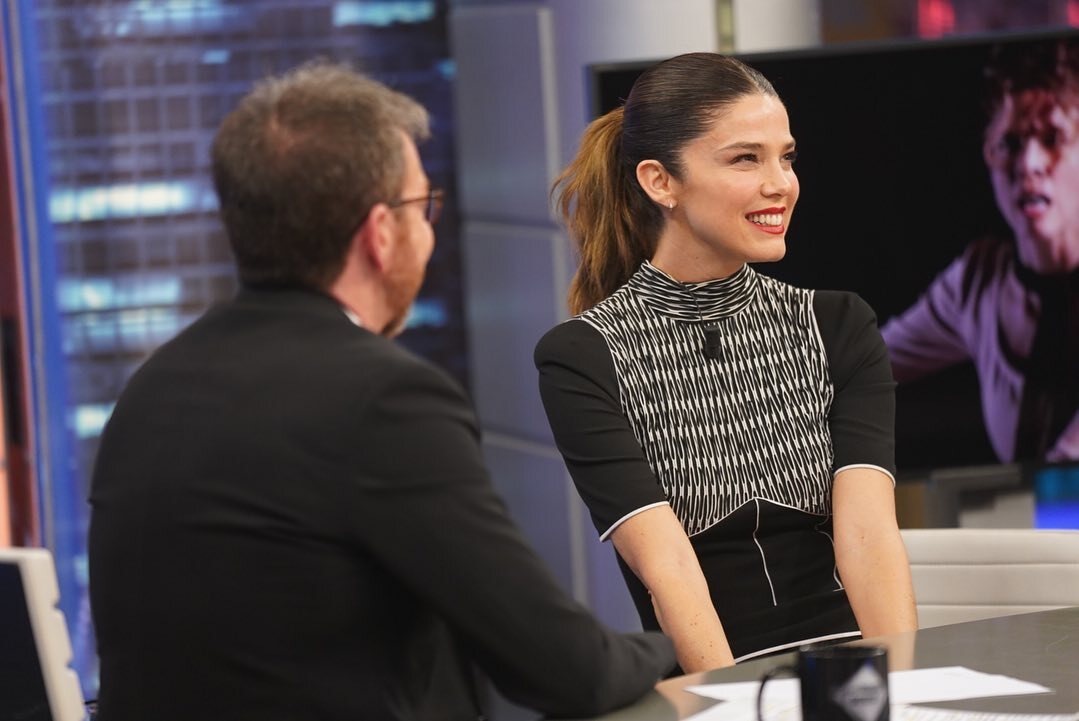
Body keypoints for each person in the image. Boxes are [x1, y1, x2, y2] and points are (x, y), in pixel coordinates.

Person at [87, 61, 675, 721]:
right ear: (379, 232)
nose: (429, 231)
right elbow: (566, 669)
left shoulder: (154, 386)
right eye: (424, 206)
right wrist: (677, 655)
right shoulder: (379, 398)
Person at [534, 52, 917, 671]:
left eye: (786, 156)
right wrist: (731, 706)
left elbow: (869, 537)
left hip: (852, 671)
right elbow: (669, 570)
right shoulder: (583, 357)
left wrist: (898, 690)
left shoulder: (839, 325)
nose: (781, 183)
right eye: (746, 158)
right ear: (661, 182)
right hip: (712, 682)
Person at [881, 39, 1079, 463]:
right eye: (1009, 142)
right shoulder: (979, 281)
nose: (1028, 164)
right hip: (1027, 527)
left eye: (1052, 137)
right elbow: (865, 363)